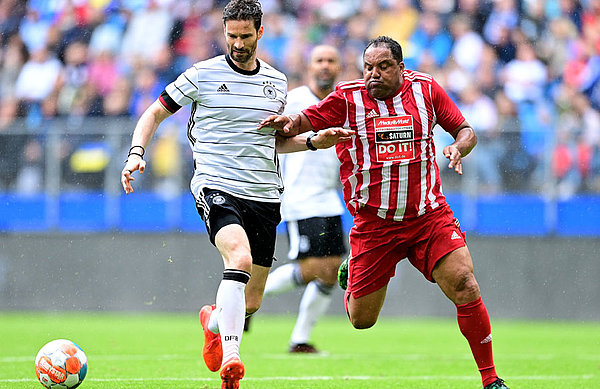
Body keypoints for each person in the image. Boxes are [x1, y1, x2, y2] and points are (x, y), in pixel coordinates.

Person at [120, 2, 351, 388]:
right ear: (224, 32)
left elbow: (274, 143)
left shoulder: (277, 83)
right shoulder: (202, 74)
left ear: (260, 32)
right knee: (238, 258)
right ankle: (232, 358)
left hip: (264, 193)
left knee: (252, 301)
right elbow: (154, 114)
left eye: (245, 36)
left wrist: (313, 141)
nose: (238, 43)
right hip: (216, 184)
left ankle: (212, 320)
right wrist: (136, 153)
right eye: (232, 36)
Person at [259, 36, 510, 389]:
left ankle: (491, 379)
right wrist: (284, 123)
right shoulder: (347, 99)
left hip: (428, 216)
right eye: (368, 68)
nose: (373, 74)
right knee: (362, 321)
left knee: (466, 284)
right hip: (375, 225)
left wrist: (457, 147)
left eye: (383, 67)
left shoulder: (426, 90)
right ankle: (352, 274)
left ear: (401, 68)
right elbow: (300, 123)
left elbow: (465, 130)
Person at [249, 45, 347, 354]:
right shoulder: (294, 100)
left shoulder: (344, 103)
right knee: (314, 268)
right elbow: (271, 139)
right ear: (309, 66)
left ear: (338, 67)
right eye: (319, 60)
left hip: (329, 198)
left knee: (332, 270)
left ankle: (300, 340)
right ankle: (248, 301)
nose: (325, 65)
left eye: (331, 60)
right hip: (300, 196)